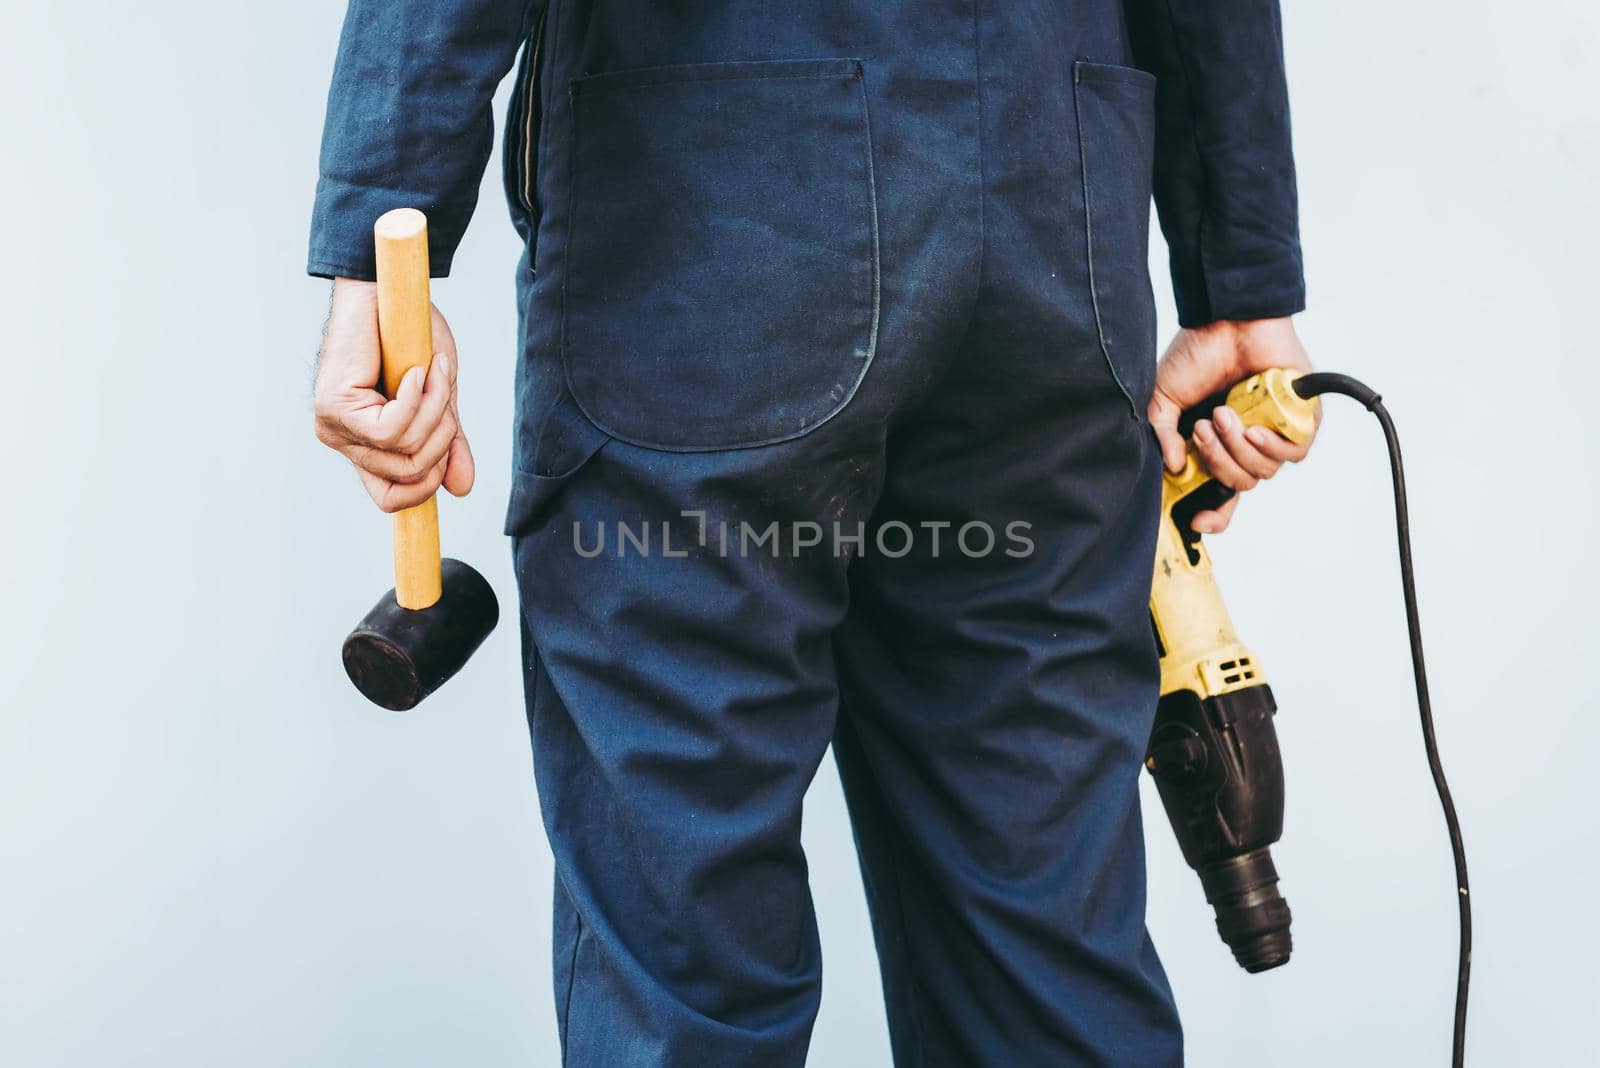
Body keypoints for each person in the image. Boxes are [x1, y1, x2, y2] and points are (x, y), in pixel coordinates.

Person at [309, 2, 1315, 1064]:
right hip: (1046, 216)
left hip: (705, 222)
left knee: (687, 968)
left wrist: (383, 220)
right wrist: (1239, 275)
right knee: (1043, 952)